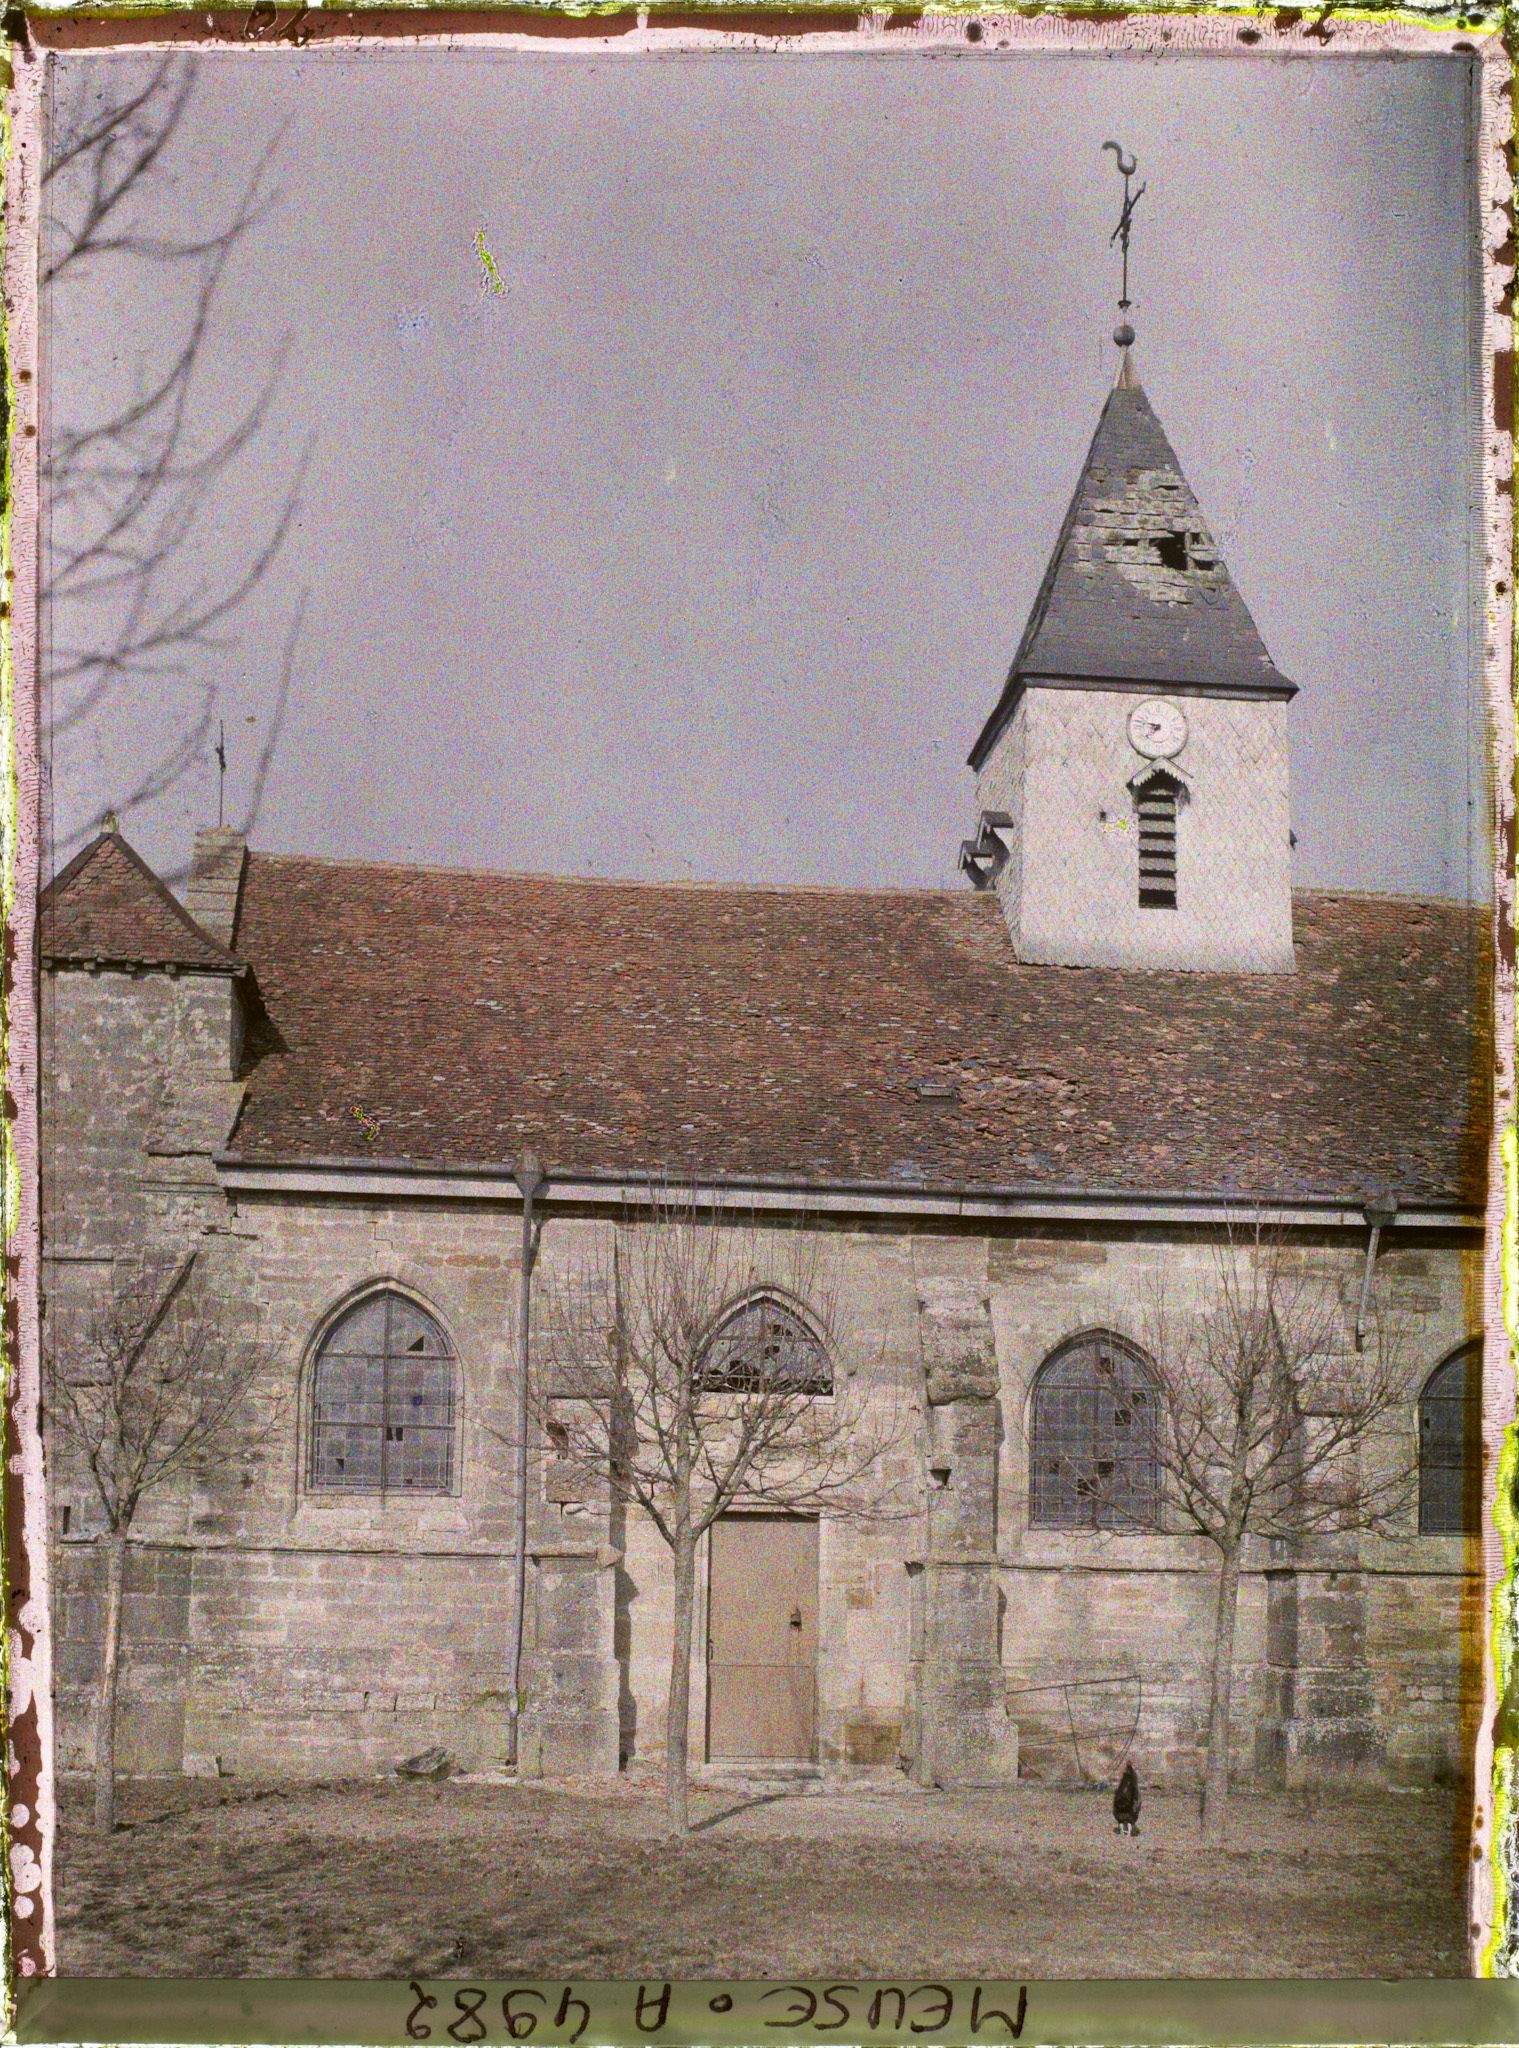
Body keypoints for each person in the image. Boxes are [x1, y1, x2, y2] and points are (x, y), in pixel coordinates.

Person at [1113, 1760, 1140, 1836]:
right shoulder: (1130, 1778)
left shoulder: (1127, 1779)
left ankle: (1125, 1827)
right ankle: (1127, 1827)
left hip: (1123, 1811)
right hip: (1128, 1812)